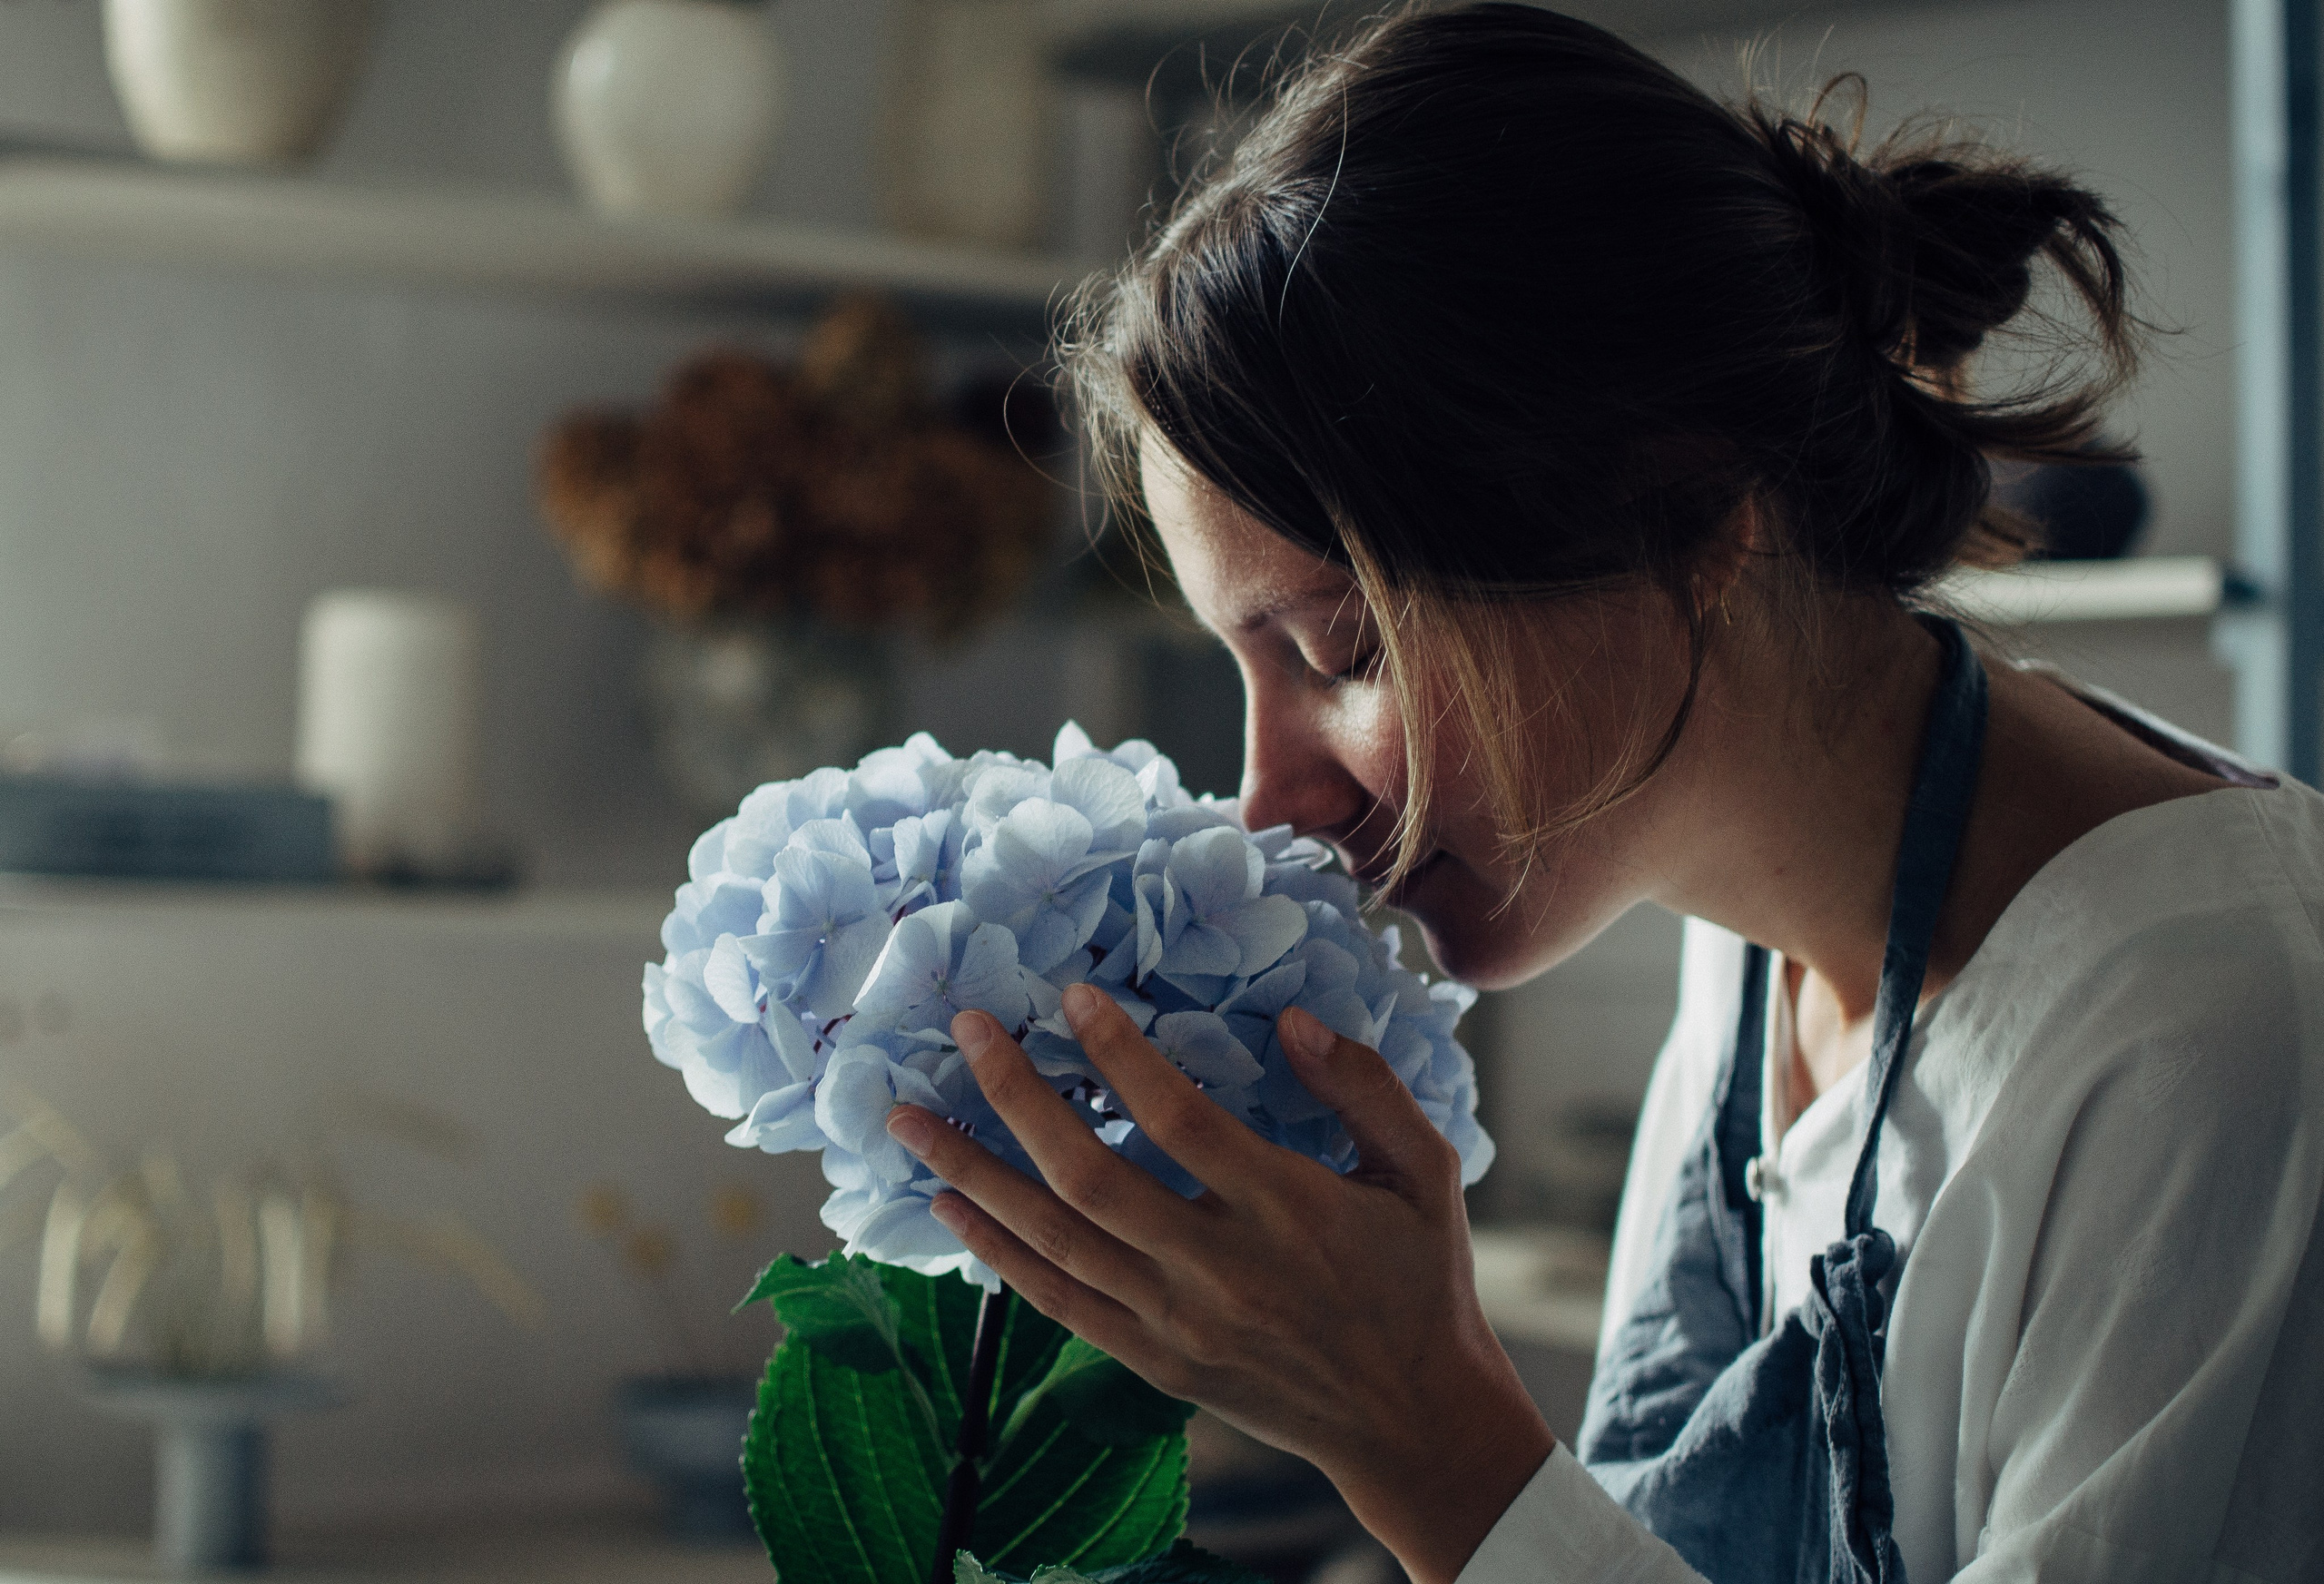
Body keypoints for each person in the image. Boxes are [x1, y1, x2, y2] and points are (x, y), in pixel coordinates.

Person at [875, 5, 2324, 1579]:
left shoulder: (2215, 1029)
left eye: (1345, 649)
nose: (1270, 802)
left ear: (1690, 517)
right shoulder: (1747, 930)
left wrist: (1424, 1434)